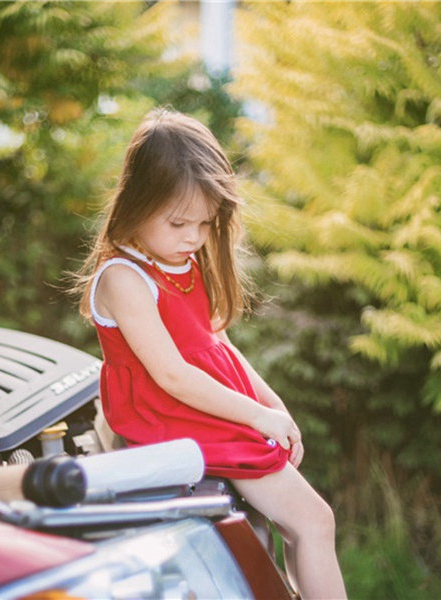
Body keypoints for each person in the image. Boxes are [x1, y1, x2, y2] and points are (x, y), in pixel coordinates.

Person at [77, 107, 347, 599]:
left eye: (205, 224)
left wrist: (272, 406)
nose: (195, 238)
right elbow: (173, 375)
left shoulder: (181, 260)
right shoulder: (124, 277)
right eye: (179, 222)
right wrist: (256, 418)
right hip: (177, 418)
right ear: (137, 204)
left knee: (301, 525)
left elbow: (217, 343)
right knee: (314, 520)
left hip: (211, 409)